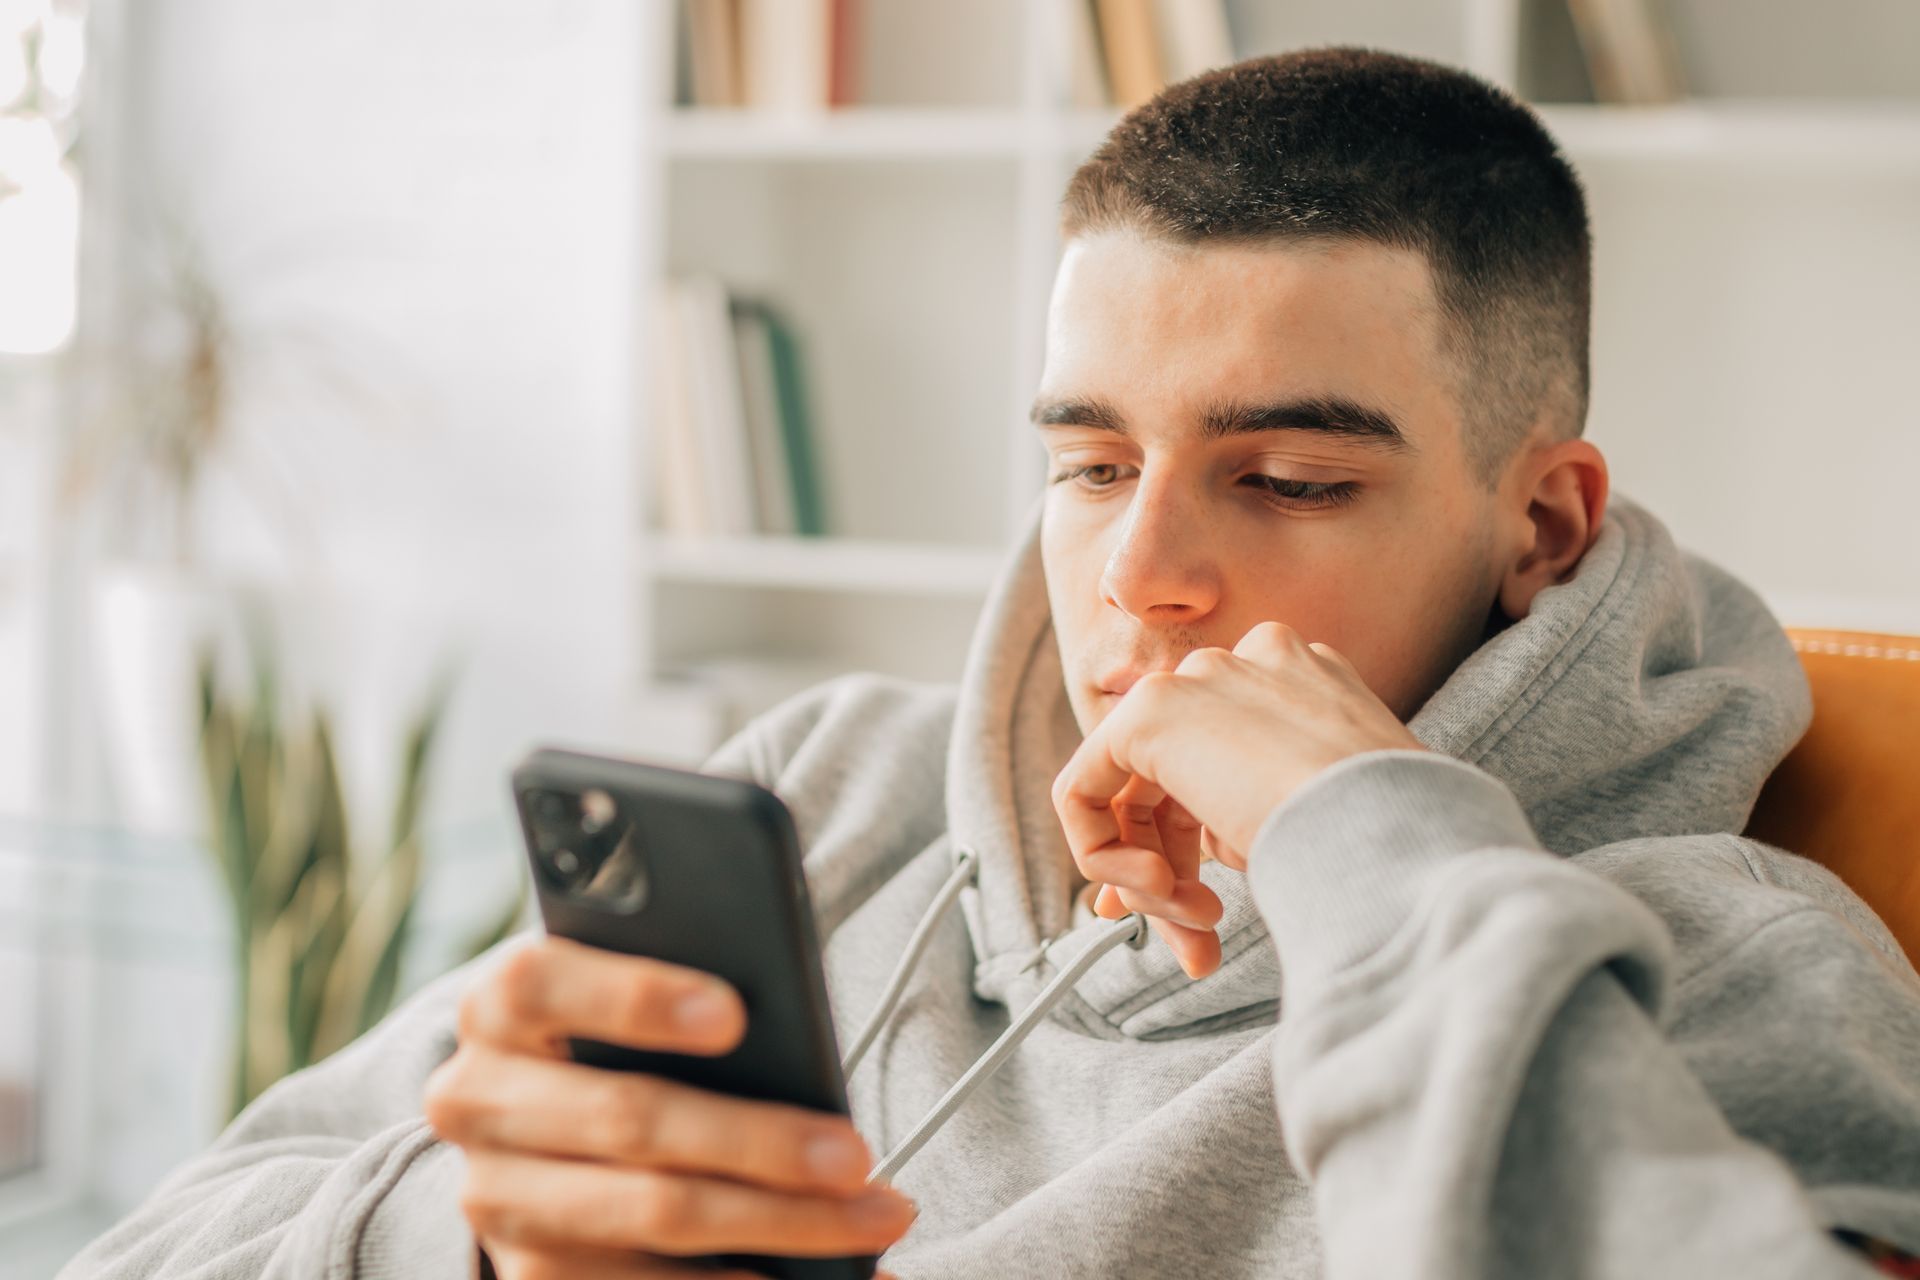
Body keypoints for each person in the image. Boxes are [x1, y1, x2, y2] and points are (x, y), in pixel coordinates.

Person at [61, 46, 1920, 1280]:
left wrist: (1365, 841)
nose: (1145, 573)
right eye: (1092, 463)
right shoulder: (833, 790)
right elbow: (143, 1249)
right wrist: (467, 1237)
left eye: (1286, 478)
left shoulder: (1723, 957)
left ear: (1544, 528)